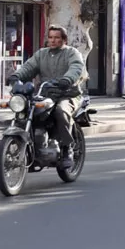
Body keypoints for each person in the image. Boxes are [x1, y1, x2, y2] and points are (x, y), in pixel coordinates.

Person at [8, 25, 84, 160]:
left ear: (64, 39)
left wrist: (67, 79)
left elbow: (76, 67)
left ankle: (67, 148)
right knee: (27, 110)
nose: (53, 40)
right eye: (50, 37)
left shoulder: (72, 53)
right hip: (45, 93)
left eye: (57, 38)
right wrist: (16, 76)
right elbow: (29, 67)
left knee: (61, 111)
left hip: (67, 93)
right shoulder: (41, 54)